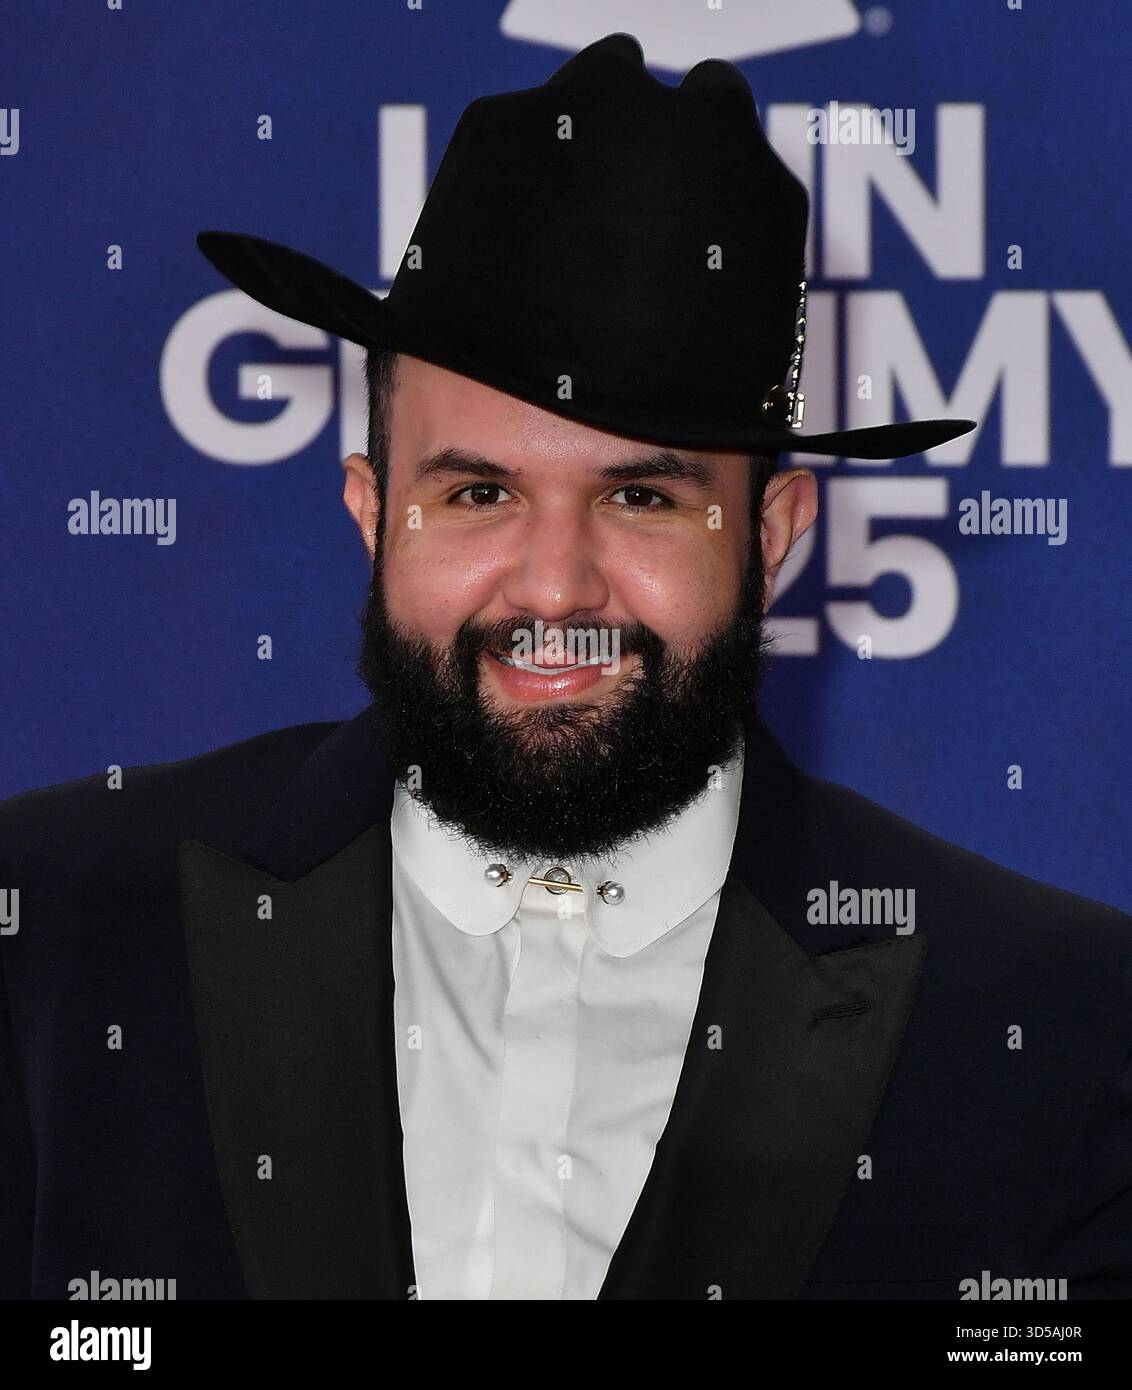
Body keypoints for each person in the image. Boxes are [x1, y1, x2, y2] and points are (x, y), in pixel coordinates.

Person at [2, 32, 1129, 1302]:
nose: (553, 587)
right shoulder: (50, 933)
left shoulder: (1062, 1031)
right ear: (375, 515)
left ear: (772, 538)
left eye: (642, 496)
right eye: (478, 490)